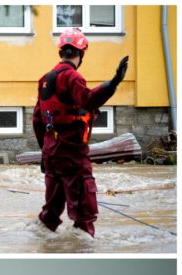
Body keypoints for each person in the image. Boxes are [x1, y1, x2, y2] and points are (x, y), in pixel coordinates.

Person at [33, 28, 129, 236]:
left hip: (52, 152)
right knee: (84, 211)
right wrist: (112, 84)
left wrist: (45, 151)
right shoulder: (72, 77)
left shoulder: (44, 80)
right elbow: (88, 99)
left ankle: (43, 245)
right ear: (81, 53)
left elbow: (37, 119)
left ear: (61, 52)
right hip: (72, 153)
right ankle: (84, 250)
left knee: (51, 210)